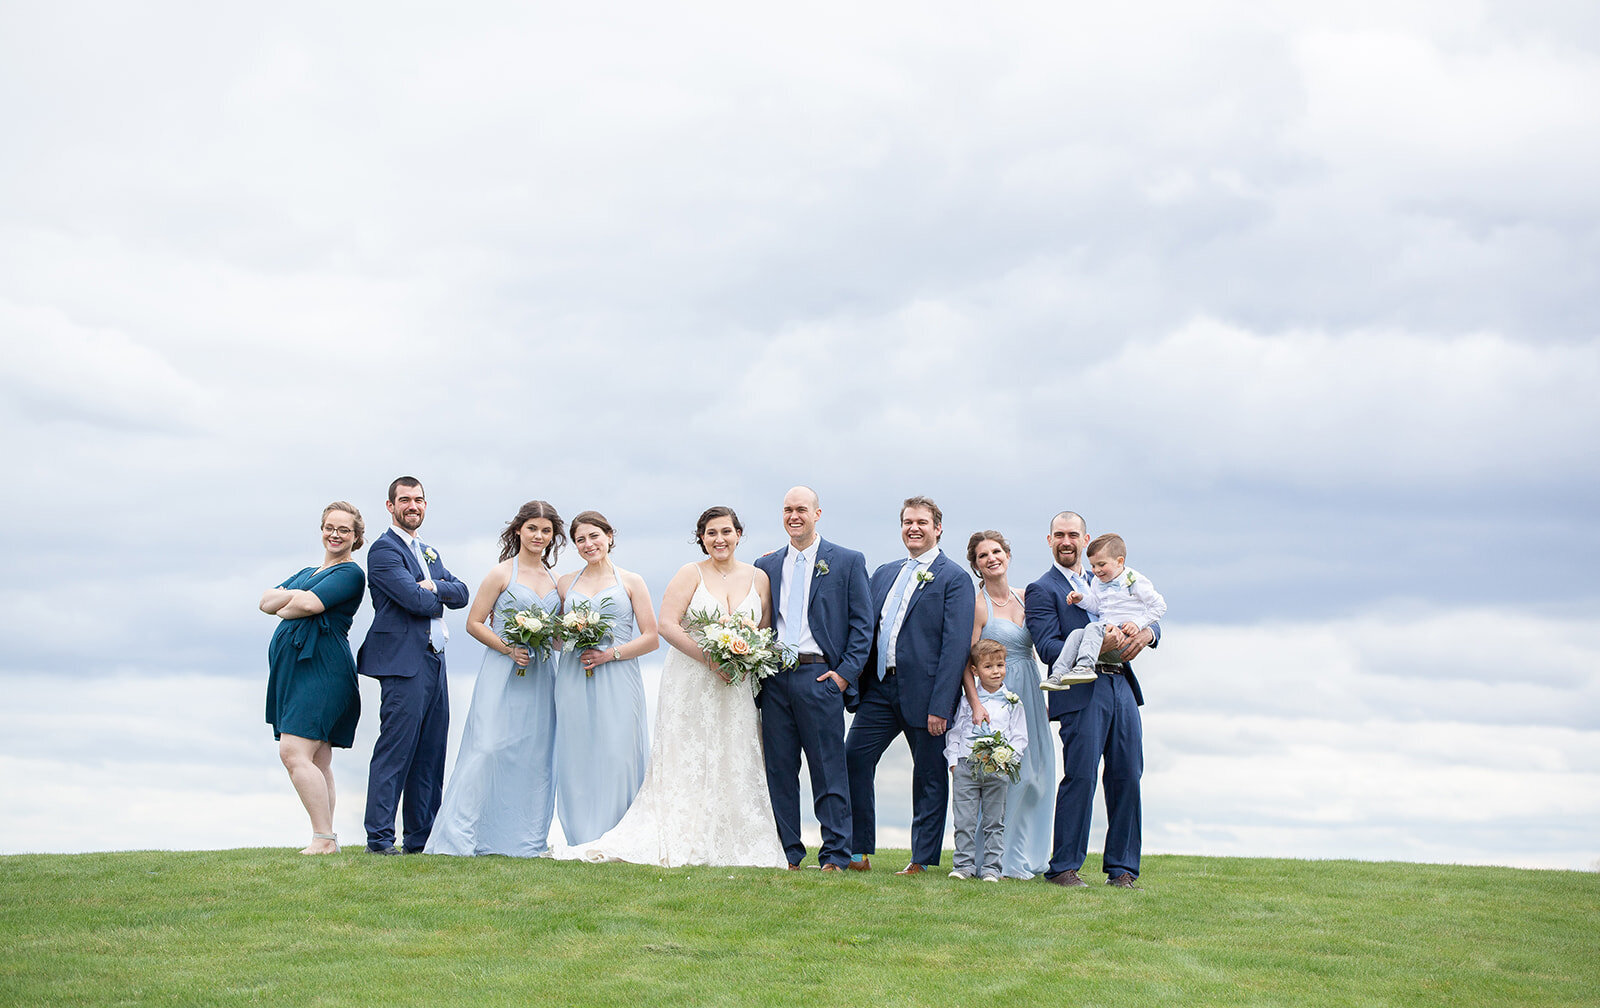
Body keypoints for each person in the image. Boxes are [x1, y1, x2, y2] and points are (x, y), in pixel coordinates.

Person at [564, 507, 787, 867]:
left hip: (735, 682)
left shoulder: (759, 577)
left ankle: (732, 837)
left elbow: (762, 628)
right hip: (692, 679)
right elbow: (667, 625)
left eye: (726, 531)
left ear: (738, 535)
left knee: (734, 754)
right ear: (701, 538)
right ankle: (684, 832)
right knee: (690, 754)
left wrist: (742, 657)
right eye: (711, 533)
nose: (719, 539)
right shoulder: (690, 573)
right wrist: (710, 659)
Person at [1024, 511, 1159, 889]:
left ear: (1086, 540)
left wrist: (1148, 634)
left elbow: (1149, 613)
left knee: (1128, 776)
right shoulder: (1043, 589)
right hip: (1082, 691)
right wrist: (1097, 640)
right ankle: (1064, 867)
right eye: (1059, 535)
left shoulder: (1110, 577)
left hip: (1122, 687)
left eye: (1073, 535)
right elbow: (1049, 646)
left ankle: (1123, 870)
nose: (1066, 541)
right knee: (1081, 777)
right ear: (1049, 540)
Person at [426, 501, 566, 857]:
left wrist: (582, 634)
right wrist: (507, 648)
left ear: (553, 537)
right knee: (486, 749)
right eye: (532, 528)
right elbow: (474, 622)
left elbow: (556, 637)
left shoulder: (556, 580)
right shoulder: (501, 573)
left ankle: (522, 841)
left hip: (540, 675)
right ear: (518, 529)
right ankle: (459, 838)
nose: (538, 536)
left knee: (533, 756)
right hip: (502, 672)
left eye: (546, 530)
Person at [844, 496, 975, 875]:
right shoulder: (884, 573)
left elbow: (954, 647)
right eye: (906, 522)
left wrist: (942, 705)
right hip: (881, 689)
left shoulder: (954, 578)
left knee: (929, 775)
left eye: (921, 522)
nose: (913, 528)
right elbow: (862, 623)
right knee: (854, 757)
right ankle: (857, 852)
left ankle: (920, 859)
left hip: (928, 695)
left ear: (938, 528)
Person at [753, 486, 873, 871]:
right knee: (779, 770)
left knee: (828, 768)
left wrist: (842, 676)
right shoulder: (765, 565)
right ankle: (787, 853)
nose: (794, 516)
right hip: (775, 678)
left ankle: (835, 854)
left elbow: (862, 626)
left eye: (801, 509)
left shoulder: (848, 561)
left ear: (817, 514)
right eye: (787, 509)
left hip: (819, 675)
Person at [359, 477, 470, 855]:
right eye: (404, 500)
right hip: (403, 663)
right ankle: (380, 839)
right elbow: (412, 600)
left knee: (431, 752)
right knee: (396, 750)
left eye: (419, 500)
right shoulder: (383, 551)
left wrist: (433, 586)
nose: (413, 506)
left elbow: (463, 593)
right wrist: (434, 591)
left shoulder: (430, 552)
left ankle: (421, 840)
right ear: (390, 506)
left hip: (435, 661)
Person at [260, 502, 367, 854]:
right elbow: (265, 601)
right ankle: (325, 837)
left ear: (355, 536)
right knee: (318, 759)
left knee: (292, 752)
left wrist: (290, 604)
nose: (335, 535)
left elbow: (308, 606)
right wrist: (294, 599)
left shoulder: (351, 573)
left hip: (324, 669)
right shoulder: (308, 571)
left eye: (344, 530)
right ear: (322, 529)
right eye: (330, 528)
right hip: (295, 672)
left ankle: (323, 838)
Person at [552, 510, 657, 846]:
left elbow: (651, 637)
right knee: (577, 751)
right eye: (580, 539)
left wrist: (609, 654)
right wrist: (531, 629)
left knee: (617, 752)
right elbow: (556, 638)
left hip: (618, 674)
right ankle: (580, 836)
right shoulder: (566, 583)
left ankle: (619, 834)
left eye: (594, 536)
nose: (588, 544)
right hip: (573, 674)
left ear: (609, 536)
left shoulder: (631, 581)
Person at [960, 530, 1056, 879]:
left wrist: (1042, 697)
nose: (991, 559)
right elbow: (966, 660)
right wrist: (975, 704)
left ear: (1008, 555)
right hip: (997, 697)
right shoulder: (977, 604)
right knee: (1006, 776)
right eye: (983, 556)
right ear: (976, 565)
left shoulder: (1027, 597)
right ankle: (995, 860)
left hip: (1029, 690)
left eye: (996, 551)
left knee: (1038, 774)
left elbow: (1034, 648)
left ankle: (1029, 855)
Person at [945, 639, 1029, 881]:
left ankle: (992, 868)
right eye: (989, 667)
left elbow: (1020, 737)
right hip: (966, 766)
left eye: (1000, 665)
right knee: (964, 821)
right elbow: (956, 732)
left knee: (994, 822)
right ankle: (963, 866)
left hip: (998, 769)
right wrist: (953, 761)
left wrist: (1008, 760)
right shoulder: (967, 701)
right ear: (975, 671)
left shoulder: (1013, 702)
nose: (995, 671)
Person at [1042, 533, 1167, 690]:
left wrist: (1138, 624)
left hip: (1123, 637)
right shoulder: (1097, 581)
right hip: (1104, 634)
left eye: (1101, 564)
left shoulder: (1134, 580)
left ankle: (1085, 667)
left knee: (1092, 628)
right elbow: (1096, 606)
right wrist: (1081, 599)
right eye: (1093, 566)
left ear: (1119, 561)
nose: (1096, 570)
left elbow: (1159, 605)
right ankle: (1058, 675)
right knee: (1076, 634)